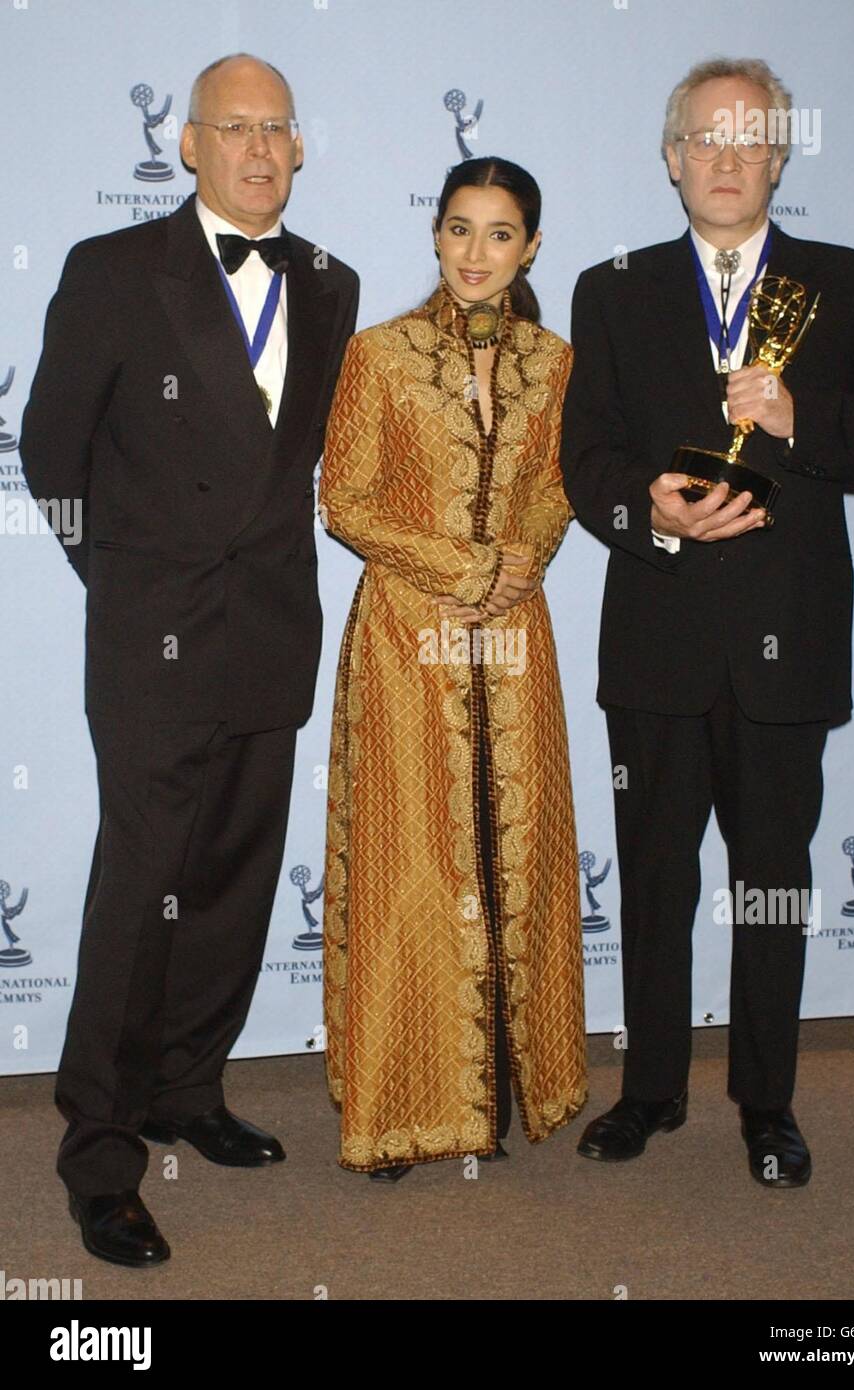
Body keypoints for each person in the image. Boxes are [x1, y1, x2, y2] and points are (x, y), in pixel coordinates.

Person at [561, 57, 854, 1188]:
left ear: (778, 155)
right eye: (702, 140)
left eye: (748, 140)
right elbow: (585, 461)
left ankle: (766, 1103)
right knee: (652, 876)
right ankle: (648, 1089)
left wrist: (796, 409)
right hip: (656, 637)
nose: (724, 160)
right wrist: (650, 510)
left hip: (789, 637)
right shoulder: (610, 286)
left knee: (771, 876)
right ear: (671, 157)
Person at [19, 53, 358, 1264]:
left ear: (300, 148)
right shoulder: (112, 272)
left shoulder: (330, 282)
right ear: (189, 148)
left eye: (278, 127)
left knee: (229, 877)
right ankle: (98, 1156)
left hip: (270, 632)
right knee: (139, 887)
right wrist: (122, 590)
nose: (260, 148)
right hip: (153, 643)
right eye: (235, 127)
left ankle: (188, 1089)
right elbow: (51, 452)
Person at [319, 156, 587, 1179]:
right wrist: (462, 566)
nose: (477, 252)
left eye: (501, 232)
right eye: (460, 229)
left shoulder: (555, 361)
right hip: (403, 631)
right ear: (434, 235)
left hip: (515, 634)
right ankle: (402, 1100)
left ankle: (509, 1084)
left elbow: (563, 482)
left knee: (513, 850)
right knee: (409, 858)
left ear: (530, 247)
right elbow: (345, 499)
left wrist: (521, 560)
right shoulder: (379, 354)